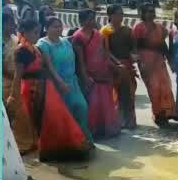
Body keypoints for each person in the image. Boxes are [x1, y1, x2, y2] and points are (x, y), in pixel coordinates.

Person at [15, 18, 91, 161]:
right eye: (35, 32)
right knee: (38, 119)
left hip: (44, 86)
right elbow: (18, 76)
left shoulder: (35, 48)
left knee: (51, 118)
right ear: (24, 33)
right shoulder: (22, 50)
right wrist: (14, 95)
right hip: (31, 89)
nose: (37, 35)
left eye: (38, 32)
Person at [37, 17, 96, 148]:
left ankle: (82, 139)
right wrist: (60, 83)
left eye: (60, 26)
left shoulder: (65, 42)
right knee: (64, 114)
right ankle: (68, 144)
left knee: (81, 107)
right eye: (54, 26)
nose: (58, 29)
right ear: (46, 28)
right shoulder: (43, 44)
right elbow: (50, 67)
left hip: (72, 82)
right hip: (57, 85)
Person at [72, 9, 120, 138]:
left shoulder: (98, 34)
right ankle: (94, 130)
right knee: (93, 103)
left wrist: (114, 65)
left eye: (94, 18)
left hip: (103, 72)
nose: (93, 21)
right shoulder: (78, 37)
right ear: (82, 21)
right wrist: (85, 77)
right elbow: (80, 60)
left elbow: (104, 53)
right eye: (90, 19)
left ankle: (107, 128)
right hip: (90, 75)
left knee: (106, 101)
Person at [133, 4, 178, 126]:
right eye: (148, 12)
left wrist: (170, 60)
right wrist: (139, 62)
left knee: (165, 86)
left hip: (159, 61)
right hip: (146, 62)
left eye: (152, 11)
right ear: (142, 13)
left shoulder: (159, 27)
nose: (151, 14)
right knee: (154, 89)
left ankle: (169, 112)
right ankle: (158, 114)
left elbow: (163, 45)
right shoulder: (139, 27)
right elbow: (135, 46)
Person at [3, 11, 37, 153]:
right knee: (15, 113)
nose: (14, 26)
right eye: (11, 23)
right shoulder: (0, 42)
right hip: (6, 81)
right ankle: (20, 144)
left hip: (16, 79)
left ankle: (24, 143)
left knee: (21, 114)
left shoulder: (14, 40)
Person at [103, 5, 137, 129]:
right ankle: (118, 120)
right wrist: (117, 63)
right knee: (115, 94)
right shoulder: (105, 31)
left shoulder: (127, 30)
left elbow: (133, 46)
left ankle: (130, 120)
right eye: (117, 14)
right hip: (113, 66)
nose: (120, 17)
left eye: (122, 14)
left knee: (128, 93)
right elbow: (106, 51)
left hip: (127, 66)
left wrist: (134, 55)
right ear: (110, 16)